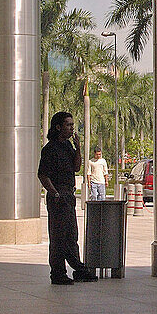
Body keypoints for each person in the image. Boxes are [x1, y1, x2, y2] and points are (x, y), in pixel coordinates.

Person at [38, 111, 98, 285]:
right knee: (58, 237)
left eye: (72, 125)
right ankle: (57, 272)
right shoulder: (49, 149)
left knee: (71, 234)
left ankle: (78, 268)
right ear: (58, 127)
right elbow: (43, 175)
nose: (72, 128)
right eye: (68, 125)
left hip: (69, 194)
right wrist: (54, 192)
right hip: (58, 195)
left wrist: (78, 148)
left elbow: (76, 167)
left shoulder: (68, 147)